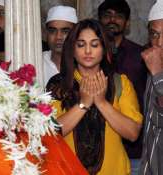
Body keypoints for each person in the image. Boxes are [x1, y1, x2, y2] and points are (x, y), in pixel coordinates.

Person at [46, 19, 142, 175]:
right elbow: (50, 133)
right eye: (81, 45)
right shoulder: (59, 84)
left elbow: (133, 133)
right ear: (73, 49)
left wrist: (102, 102)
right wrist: (83, 104)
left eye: (95, 45)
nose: (88, 51)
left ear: (104, 49)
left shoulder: (120, 82)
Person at [98, 0, 148, 172]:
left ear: (127, 23)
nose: (112, 20)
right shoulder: (87, 56)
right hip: (99, 148)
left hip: (134, 148)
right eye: (107, 15)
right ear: (99, 20)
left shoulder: (141, 55)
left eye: (118, 16)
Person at [139, 0, 163, 174]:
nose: (160, 42)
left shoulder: (155, 69)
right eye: (155, 34)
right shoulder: (153, 67)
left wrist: (157, 74)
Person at [43, 5, 77, 86]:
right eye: (52, 31)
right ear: (46, 34)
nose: (58, 37)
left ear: (75, 34)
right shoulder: (36, 61)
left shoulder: (84, 62)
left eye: (65, 31)